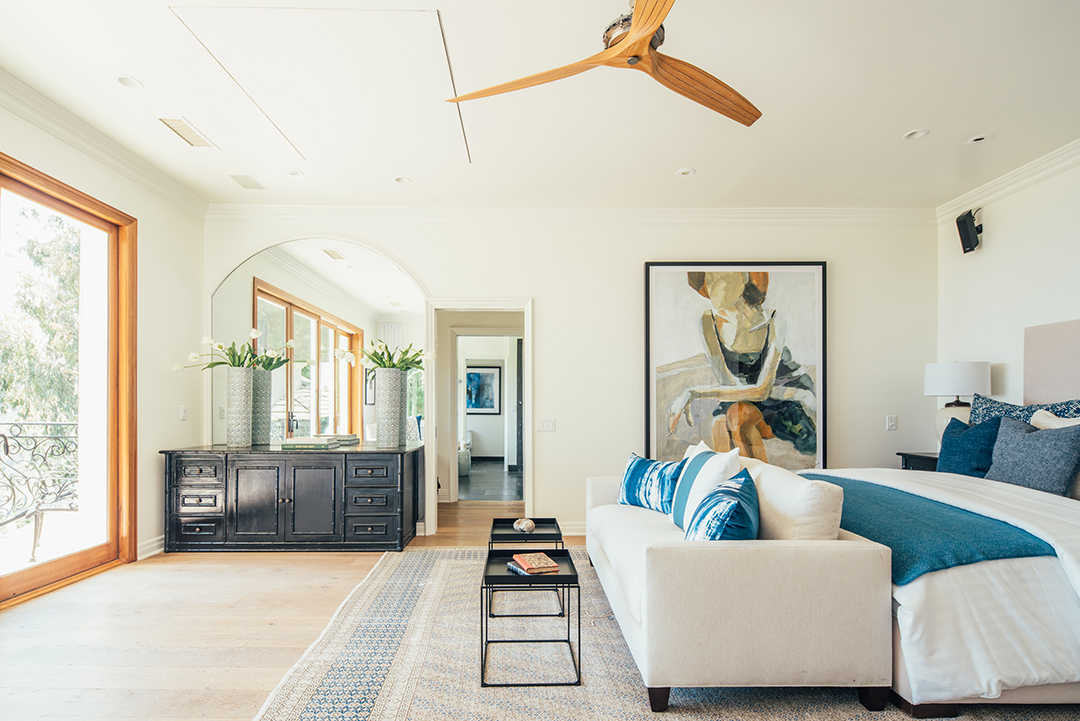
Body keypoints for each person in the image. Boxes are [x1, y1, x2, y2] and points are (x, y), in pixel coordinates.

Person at [667, 271, 817, 464]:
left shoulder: (773, 319)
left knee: (737, 417)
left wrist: (693, 392)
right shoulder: (708, 321)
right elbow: (729, 384)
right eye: (709, 281)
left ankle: (758, 485)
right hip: (746, 398)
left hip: (789, 398)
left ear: (743, 279)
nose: (713, 288)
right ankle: (732, 489)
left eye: (721, 279)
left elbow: (762, 391)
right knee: (720, 425)